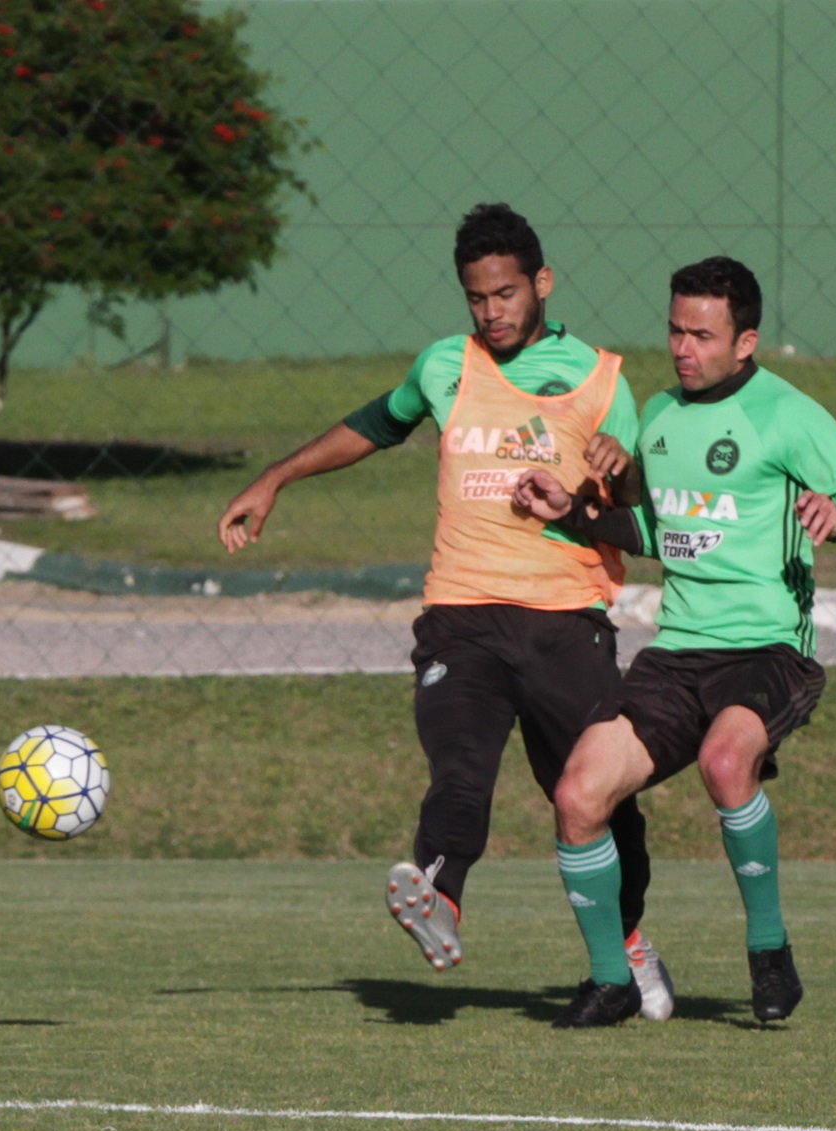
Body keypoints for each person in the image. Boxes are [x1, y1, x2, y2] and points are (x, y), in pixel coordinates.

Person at [217, 203, 674, 1019]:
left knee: (594, 798)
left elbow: (637, 507)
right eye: (475, 297)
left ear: (541, 283)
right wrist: (274, 478)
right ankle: (438, 895)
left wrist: (621, 463)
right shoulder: (444, 365)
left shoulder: (603, 377)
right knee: (459, 766)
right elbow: (373, 425)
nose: (490, 312)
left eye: (503, 293)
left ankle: (628, 943)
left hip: (566, 619)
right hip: (460, 616)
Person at [513, 255, 836, 1028]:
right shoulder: (657, 415)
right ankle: (608, 980)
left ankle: (768, 952)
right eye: (675, 330)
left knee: (727, 764)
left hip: (768, 650)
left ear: (746, 341)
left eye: (703, 334)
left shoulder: (786, 415)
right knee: (576, 792)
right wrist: (571, 511)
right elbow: (663, 529)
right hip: (676, 653)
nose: (683, 348)